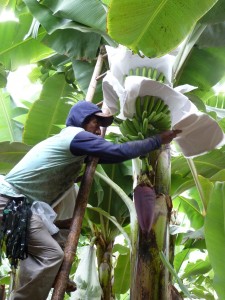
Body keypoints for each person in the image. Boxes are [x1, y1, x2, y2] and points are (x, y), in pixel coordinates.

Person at [0, 100, 181, 300]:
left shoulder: (73, 143)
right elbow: (118, 152)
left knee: (69, 195)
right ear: (82, 120)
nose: (98, 131)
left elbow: (106, 155)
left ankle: (53, 274)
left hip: (20, 205)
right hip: (9, 202)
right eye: (96, 123)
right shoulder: (76, 137)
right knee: (50, 254)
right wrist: (157, 140)